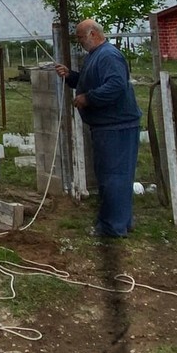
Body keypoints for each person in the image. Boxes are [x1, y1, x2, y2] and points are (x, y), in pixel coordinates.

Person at [54, 19, 142, 237]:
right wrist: (71, 76)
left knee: (115, 177)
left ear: (93, 34)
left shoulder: (109, 56)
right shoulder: (95, 56)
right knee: (109, 176)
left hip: (117, 126)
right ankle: (119, 222)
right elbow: (89, 80)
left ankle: (113, 228)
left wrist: (88, 99)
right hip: (105, 126)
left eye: (81, 38)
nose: (79, 42)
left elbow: (115, 86)